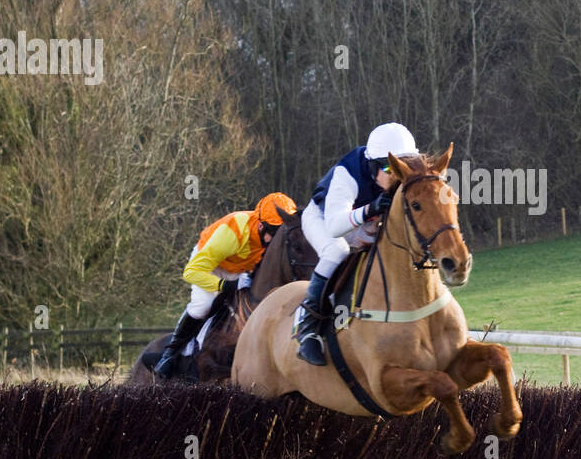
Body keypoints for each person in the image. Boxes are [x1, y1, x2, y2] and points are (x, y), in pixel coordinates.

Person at [294, 122, 418, 366]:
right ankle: (307, 328)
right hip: (323, 218)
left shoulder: (391, 174)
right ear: (373, 166)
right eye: (388, 167)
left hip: (362, 219)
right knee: (336, 250)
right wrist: (370, 209)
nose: (397, 175)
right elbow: (335, 226)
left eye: (402, 167)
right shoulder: (347, 174)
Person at [154, 191, 298, 379]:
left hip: (239, 268)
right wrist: (225, 285)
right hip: (209, 264)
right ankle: (170, 355)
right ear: (261, 225)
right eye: (274, 232)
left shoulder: (269, 237)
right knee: (202, 306)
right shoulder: (231, 233)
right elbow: (191, 272)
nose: (276, 239)